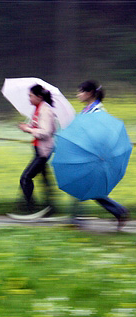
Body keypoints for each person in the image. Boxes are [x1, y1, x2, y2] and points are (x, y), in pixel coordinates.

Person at [70, 80, 129, 230]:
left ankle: (76, 218)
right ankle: (118, 211)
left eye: (80, 91)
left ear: (89, 93)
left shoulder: (97, 111)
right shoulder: (87, 110)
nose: (78, 95)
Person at [8, 84, 58, 219]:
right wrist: (26, 126)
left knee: (26, 178)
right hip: (39, 150)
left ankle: (31, 208)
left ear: (39, 96)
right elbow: (38, 127)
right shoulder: (38, 109)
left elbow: (46, 132)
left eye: (30, 96)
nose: (29, 98)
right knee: (44, 179)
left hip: (43, 152)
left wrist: (29, 130)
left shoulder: (45, 110)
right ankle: (51, 207)